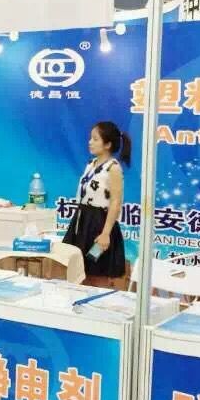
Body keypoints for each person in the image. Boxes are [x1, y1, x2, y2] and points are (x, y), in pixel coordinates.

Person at [63, 121, 132, 287]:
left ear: (107, 144)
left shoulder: (113, 168)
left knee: (97, 271)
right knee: (80, 271)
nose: (90, 142)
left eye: (95, 139)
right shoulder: (90, 164)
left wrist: (105, 233)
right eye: (90, 138)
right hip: (82, 222)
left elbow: (115, 202)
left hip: (99, 224)